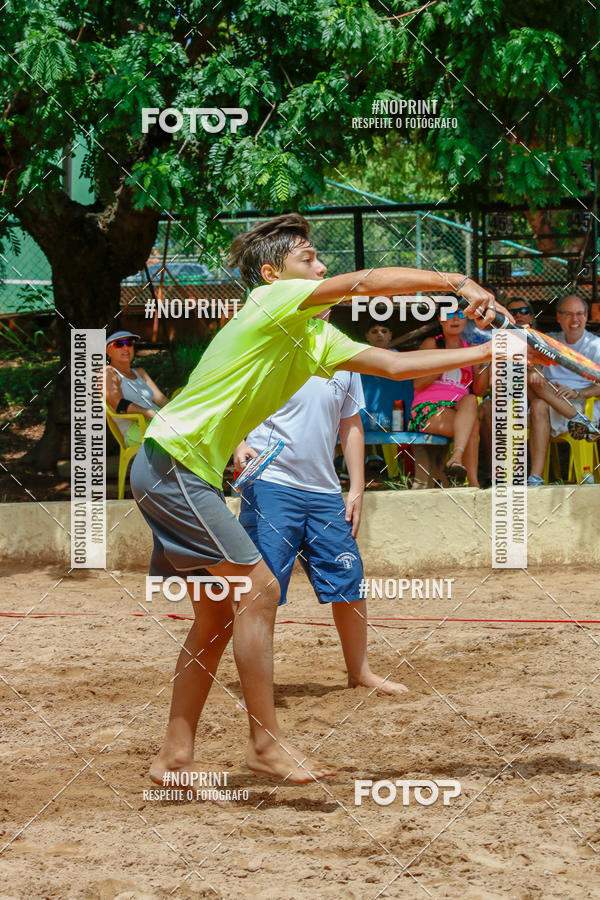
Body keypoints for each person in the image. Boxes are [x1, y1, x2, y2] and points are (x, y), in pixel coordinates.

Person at [128, 212, 516, 787]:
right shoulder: (270, 301)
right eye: (308, 258)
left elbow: (395, 364)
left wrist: (489, 353)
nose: (322, 266)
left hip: (180, 473)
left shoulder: (314, 336)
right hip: (173, 466)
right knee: (258, 591)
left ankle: (174, 757)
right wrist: (456, 280)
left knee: (214, 616)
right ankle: (264, 747)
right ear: (272, 273)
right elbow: (366, 283)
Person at [234, 346, 407, 697]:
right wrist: (238, 444)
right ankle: (257, 686)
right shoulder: (266, 343)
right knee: (261, 589)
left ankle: (360, 673)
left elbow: (350, 422)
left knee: (349, 579)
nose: (323, 297)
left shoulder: (343, 355)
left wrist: (357, 486)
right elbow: (233, 402)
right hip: (270, 483)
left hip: (325, 490)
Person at [408, 306, 490, 486]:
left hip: (458, 409)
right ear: (440, 319)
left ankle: (457, 458)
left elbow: (480, 391)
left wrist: (483, 363)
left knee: (470, 400)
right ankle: (473, 483)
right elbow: (417, 383)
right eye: (449, 314)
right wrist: (449, 360)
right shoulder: (432, 344)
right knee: (473, 425)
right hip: (427, 410)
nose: (456, 319)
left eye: (461, 314)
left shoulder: (470, 349)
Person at [359, 321, 410, 478]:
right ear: (367, 336)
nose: (379, 334)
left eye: (384, 330)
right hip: (365, 417)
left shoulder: (402, 360)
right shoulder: (358, 358)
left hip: (396, 418)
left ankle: (396, 474)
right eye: (374, 331)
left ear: (390, 335)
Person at [103, 331, 169, 446]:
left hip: (157, 420)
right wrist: (150, 413)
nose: (125, 348)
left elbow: (161, 399)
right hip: (136, 428)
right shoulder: (108, 372)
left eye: (129, 343)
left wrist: (179, 409)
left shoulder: (140, 372)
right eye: (119, 344)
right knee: (181, 437)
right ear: (108, 351)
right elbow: (119, 405)